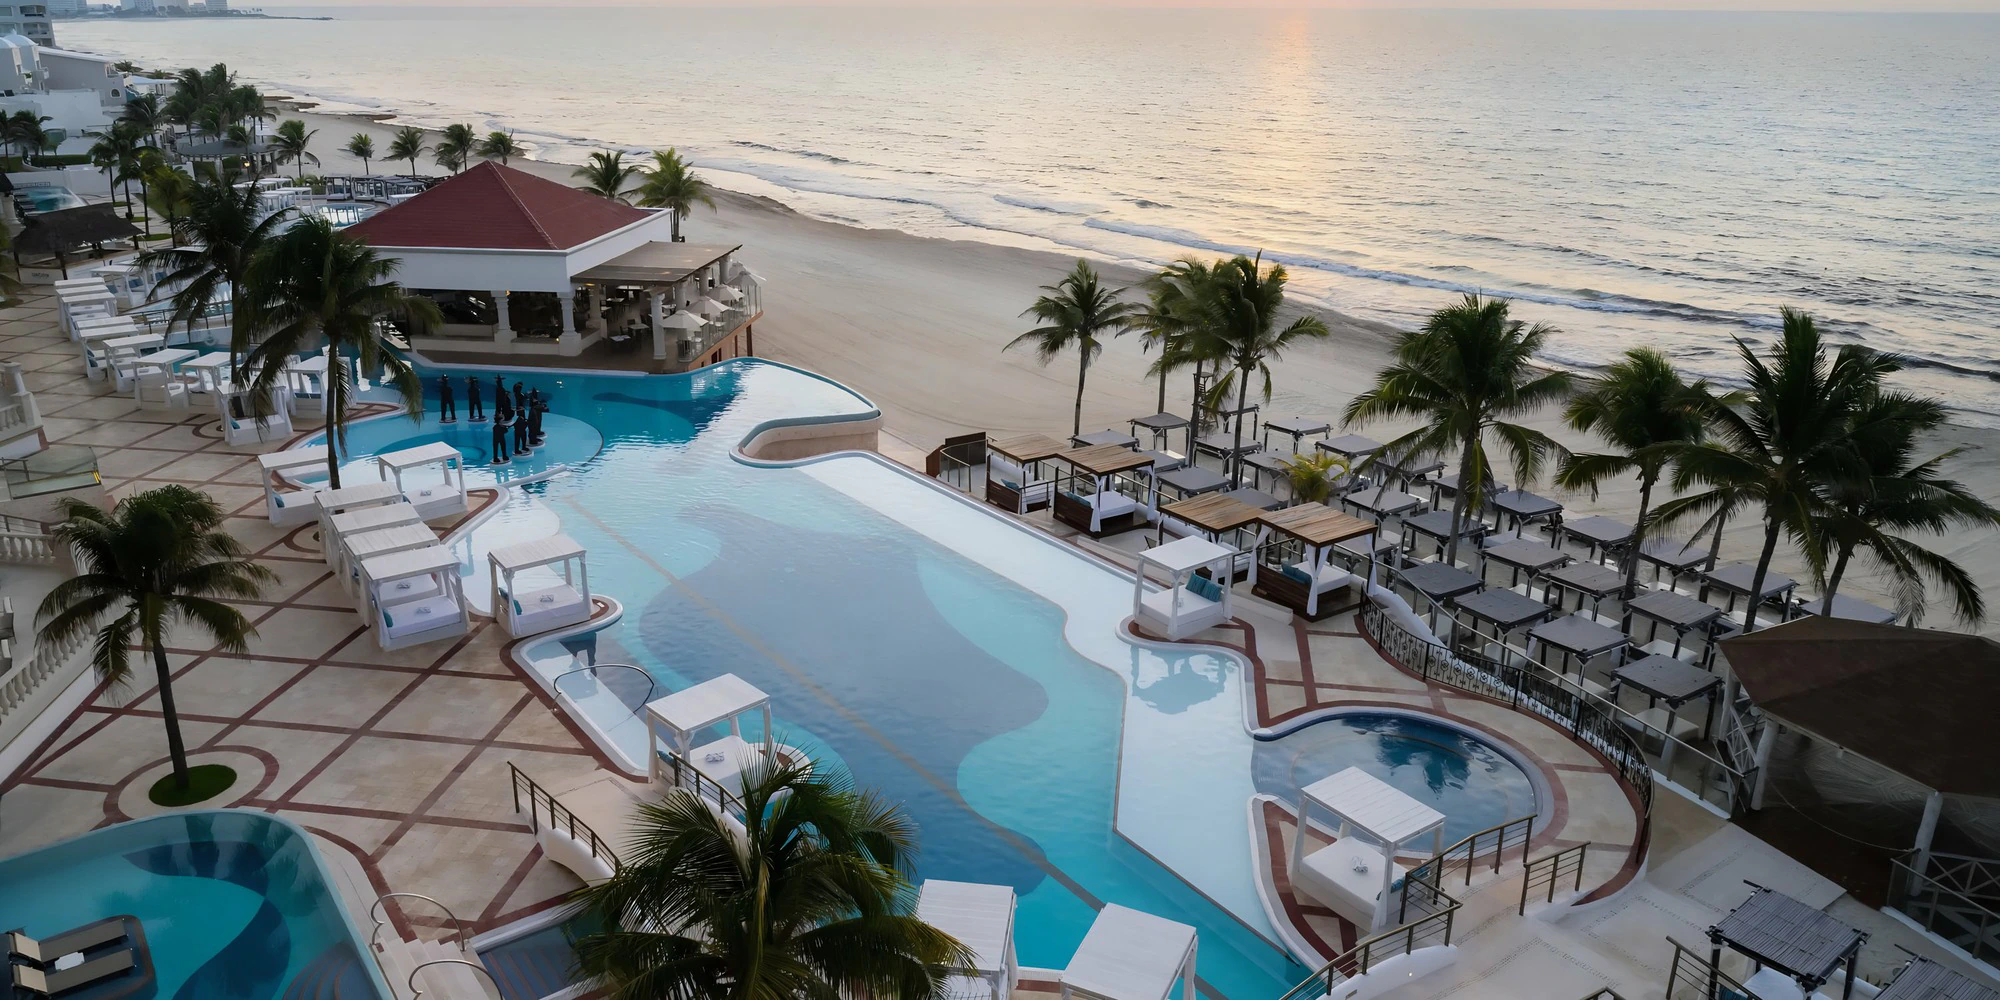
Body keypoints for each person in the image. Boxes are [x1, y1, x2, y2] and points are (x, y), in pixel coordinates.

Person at [491, 394, 511, 464]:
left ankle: (495, 457)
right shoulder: (502, 427)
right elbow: (505, 431)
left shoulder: (494, 427)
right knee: (503, 448)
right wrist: (506, 428)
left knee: (495, 448)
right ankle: (504, 456)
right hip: (501, 439)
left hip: (495, 440)